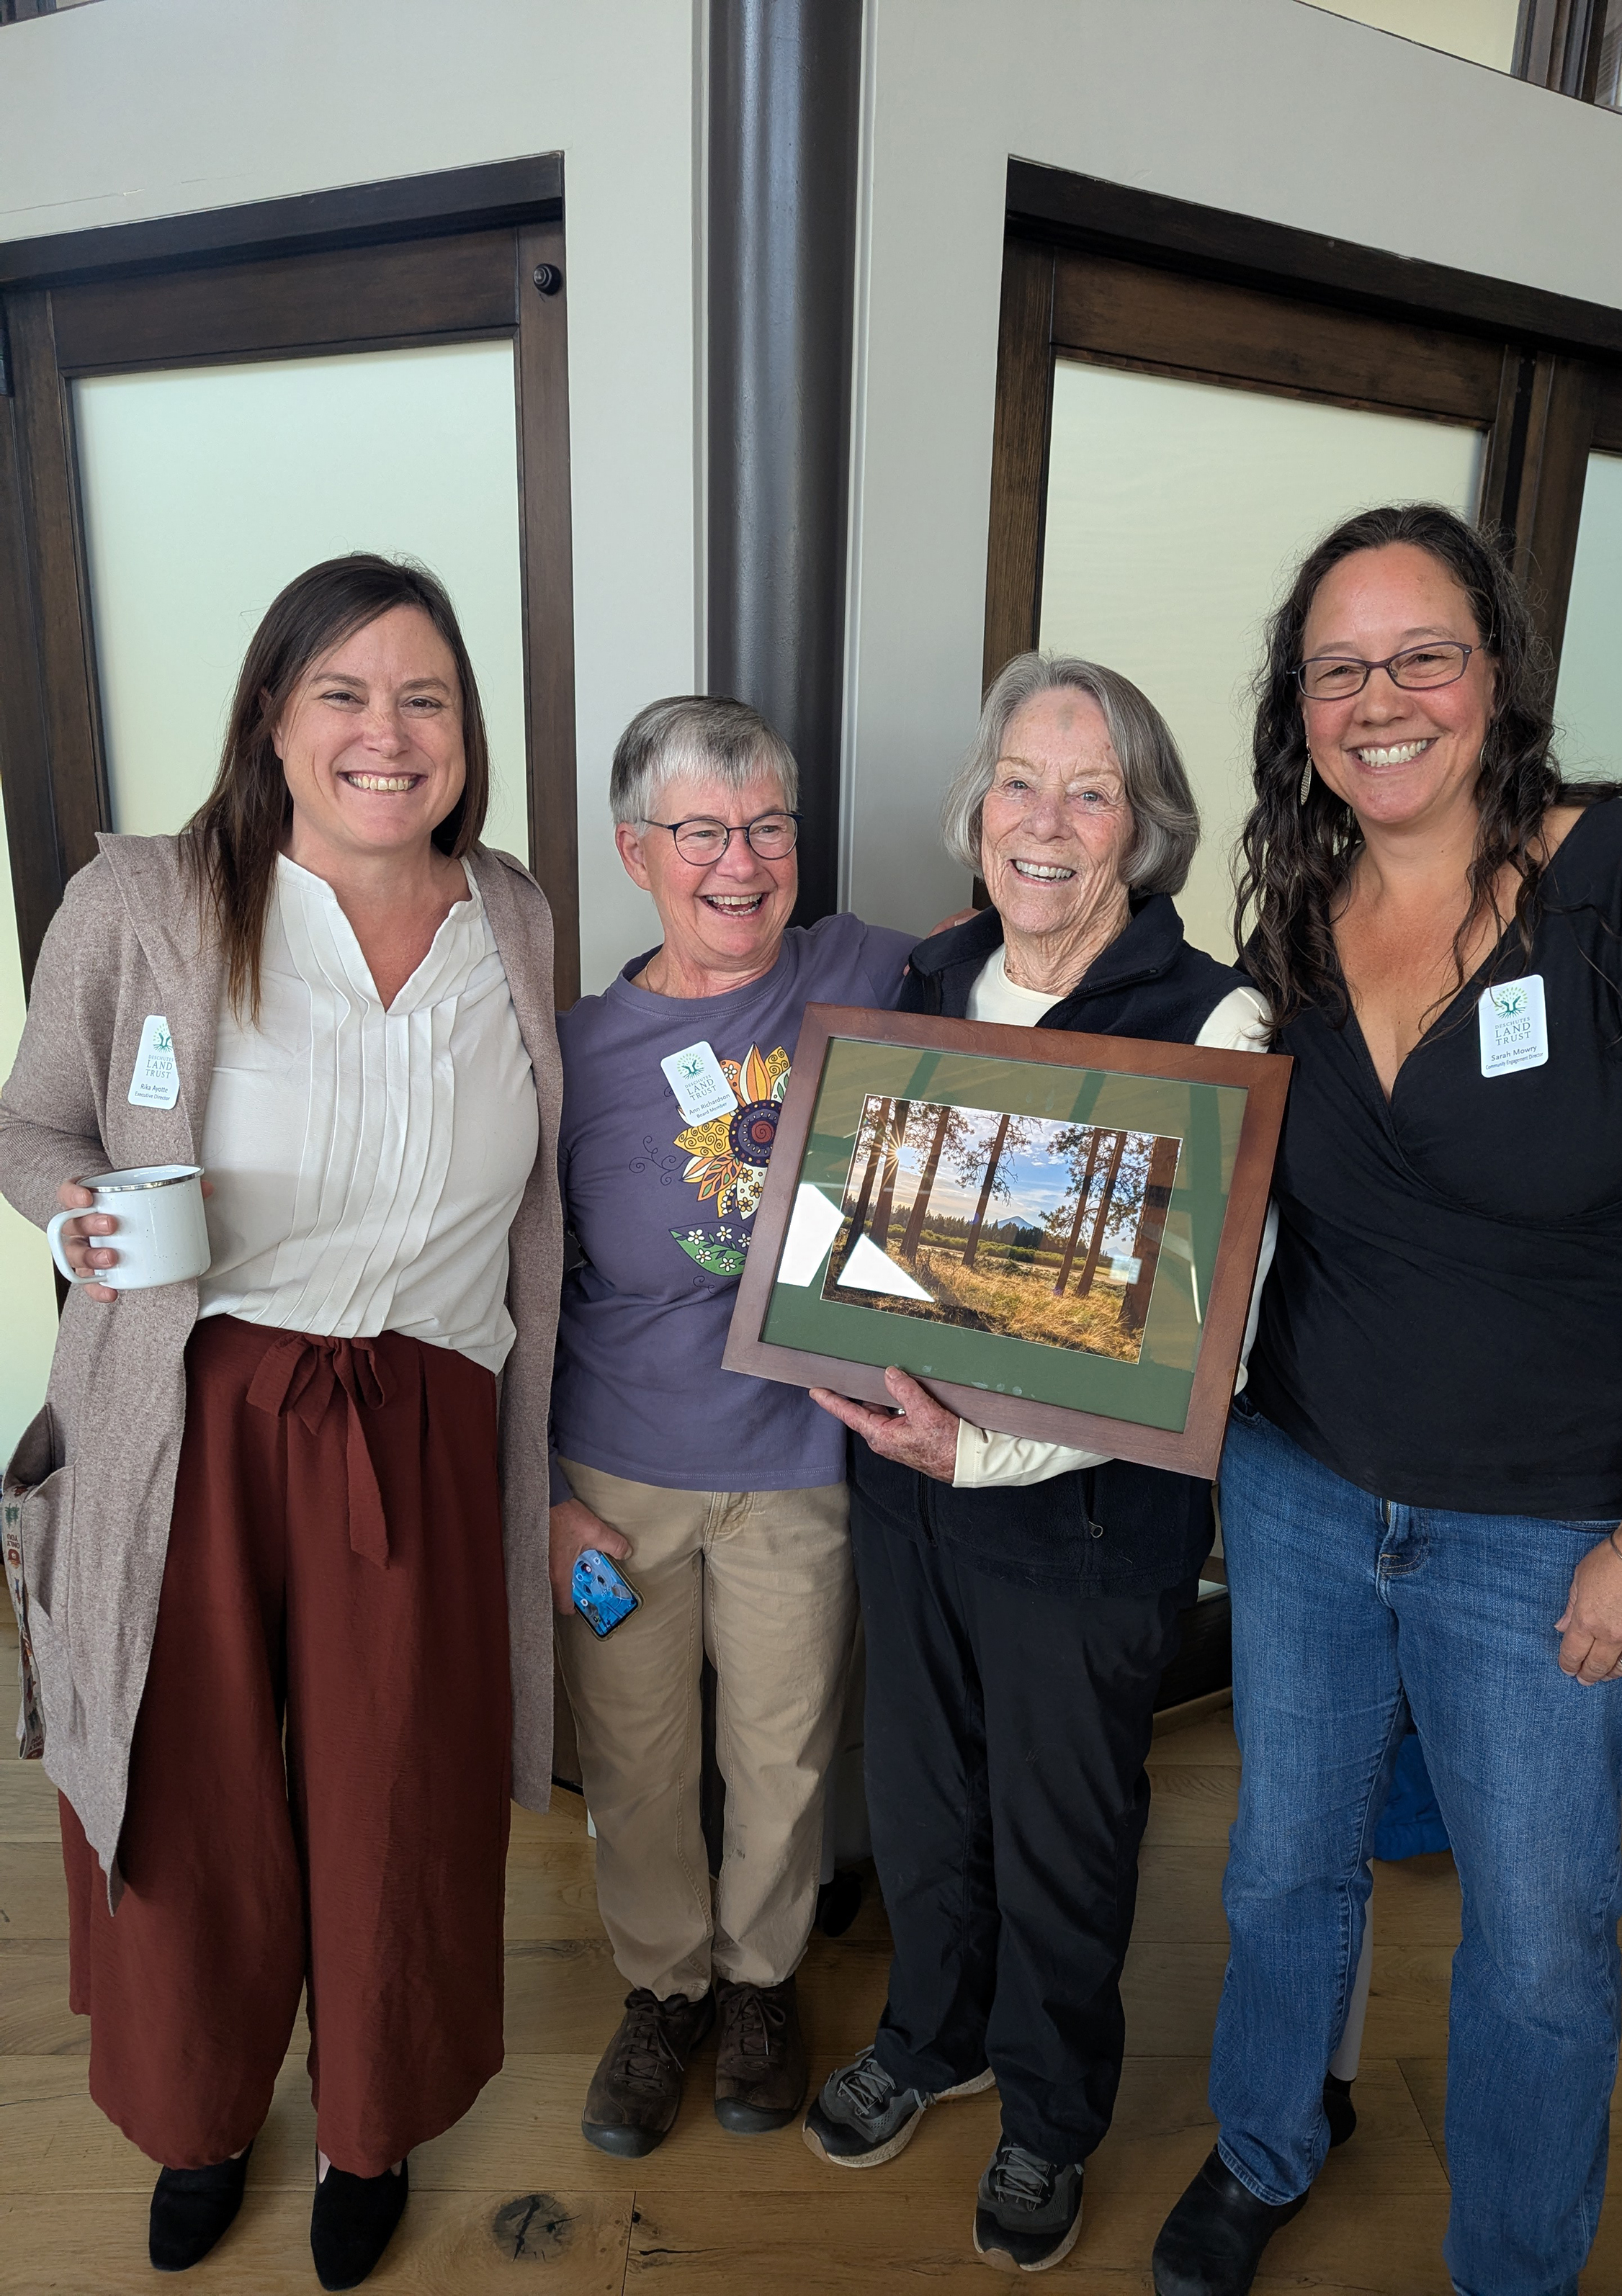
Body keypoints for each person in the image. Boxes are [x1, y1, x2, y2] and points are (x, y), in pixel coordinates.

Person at [1150, 504, 1622, 2296]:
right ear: (1298, 707)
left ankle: (1515, 2269)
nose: (1381, 700)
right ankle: (1268, 2137)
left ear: (1498, 673)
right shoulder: (1298, 920)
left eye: (1423, 656)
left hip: (1554, 1535)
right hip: (1303, 1490)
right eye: (1339, 669)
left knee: (1542, 1948)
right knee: (1281, 1869)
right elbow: (1218, 1173)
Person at [0, 556, 563, 2291]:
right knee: (190, 1779)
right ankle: (201, 2108)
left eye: (426, 698)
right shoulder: (151, 900)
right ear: (271, 716)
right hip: (199, 1403)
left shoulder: (515, 918)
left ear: (467, 732)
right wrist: (81, 1216)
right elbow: (33, 1126)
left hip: (426, 1412)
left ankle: (366, 2124)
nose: (388, 734)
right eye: (344, 694)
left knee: (404, 1793)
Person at [801, 654, 1271, 2275]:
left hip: (1087, 1521)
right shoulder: (927, 976)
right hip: (903, 1487)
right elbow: (867, 1234)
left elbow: (1206, 1327)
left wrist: (987, 1444)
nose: (1046, 821)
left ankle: (1053, 2113)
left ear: (1144, 829)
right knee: (925, 1796)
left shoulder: (1211, 1015)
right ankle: (934, 2034)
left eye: (1091, 791)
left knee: (1066, 1829)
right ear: (978, 807)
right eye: (1020, 780)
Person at [547, 696, 918, 2157]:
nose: (742, 864)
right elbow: (515, 1289)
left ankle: (762, 1981)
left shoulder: (861, 967)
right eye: (702, 831)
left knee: (785, 1750)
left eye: (769, 827)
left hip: (797, 1463)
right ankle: (664, 1990)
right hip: (618, 1471)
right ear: (635, 850)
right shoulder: (573, 1053)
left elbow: (1033, 945)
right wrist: (542, 1497)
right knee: (635, 1755)